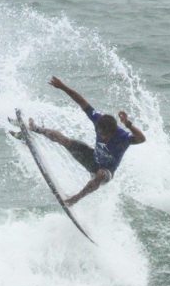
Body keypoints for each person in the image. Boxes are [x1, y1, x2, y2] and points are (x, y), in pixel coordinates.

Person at [29, 76, 146, 206]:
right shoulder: (98, 120)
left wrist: (129, 125)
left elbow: (142, 139)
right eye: (100, 134)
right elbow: (81, 102)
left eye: (106, 136)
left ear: (113, 132)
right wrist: (62, 87)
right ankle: (35, 129)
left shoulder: (122, 136)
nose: (103, 137)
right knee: (65, 140)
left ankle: (75, 199)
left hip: (106, 172)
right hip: (91, 159)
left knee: (100, 174)